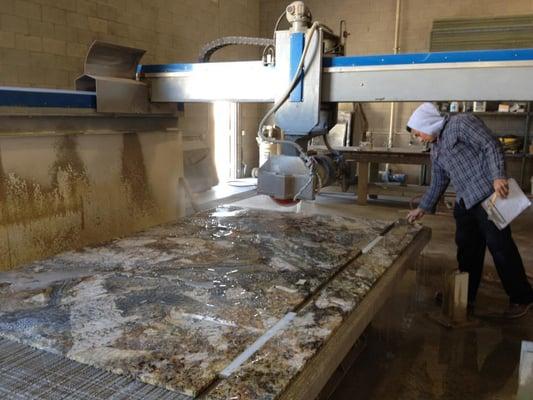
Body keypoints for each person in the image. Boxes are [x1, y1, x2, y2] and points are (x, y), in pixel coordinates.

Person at [406, 102, 533, 319]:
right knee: (467, 250)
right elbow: (439, 181)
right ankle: (466, 295)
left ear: (427, 124)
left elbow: (490, 145)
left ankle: (522, 297)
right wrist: (423, 207)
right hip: (465, 202)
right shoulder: (436, 149)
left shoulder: (460, 124)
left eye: (419, 134)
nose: (419, 139)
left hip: (488, 196)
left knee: (500, 247)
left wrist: (498, 176)